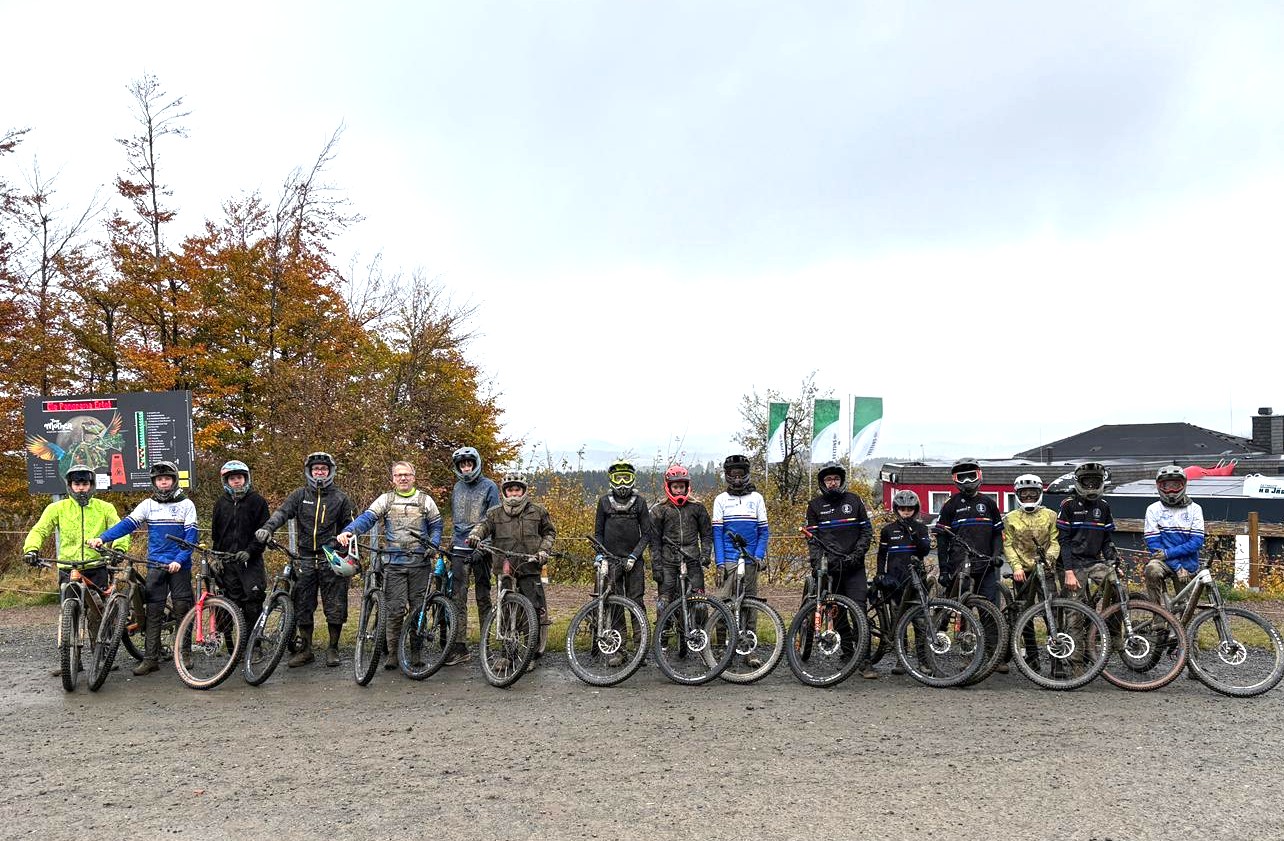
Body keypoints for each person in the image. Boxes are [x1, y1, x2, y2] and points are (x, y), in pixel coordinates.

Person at [89, 461, 198, 676]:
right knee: (153, 612)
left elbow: (191, 536)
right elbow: (127, 525)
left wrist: (179, 559)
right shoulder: (148, 504)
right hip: (155, 564)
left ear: (174, 481)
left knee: (182, 608)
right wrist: (102, 538)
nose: (163, 482)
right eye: (159, 479)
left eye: (167, 478)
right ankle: (150, 658)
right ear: (154, 482)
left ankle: (184, 653)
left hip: (179, 565)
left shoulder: (187, 505)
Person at [23, 463, 131, 676]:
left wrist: (118, 548)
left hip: (96, 567)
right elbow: (40, 529)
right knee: (68, 612)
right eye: (76, 484)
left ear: (91, 485)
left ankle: (101, 657)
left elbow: (120, 529)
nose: (81, 488)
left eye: (85, 484)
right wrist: (31, 549)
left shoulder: (105, 507)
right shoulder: (57, 508)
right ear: (70, 486)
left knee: (97, 613)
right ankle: (72, 660)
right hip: (69, 568)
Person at [337, 461, 444, 670]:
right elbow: (367, 518)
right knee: (395, 610)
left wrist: (433, 544)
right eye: (398, 475)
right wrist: (350, 531)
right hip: (394, 564)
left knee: (418, 610)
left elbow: (437, 526)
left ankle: (415, 654)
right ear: (393, 479)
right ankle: (393, 654)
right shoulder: (385, 500)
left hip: (420, 563)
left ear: (413, 477)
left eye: (407, 474)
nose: (403, 478)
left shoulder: (426, 500)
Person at [254, 452, 356, 668]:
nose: (320, 472)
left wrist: (346, 545)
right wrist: (268, 528)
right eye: (316, 469)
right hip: (305, 558)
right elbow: (282, 513)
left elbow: (350, 525)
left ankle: (333, 648)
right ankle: (306, 649)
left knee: (336, 605)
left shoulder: (340, 498)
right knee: (303, 605)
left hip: (331, 558)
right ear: (310, 471)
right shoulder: (299, 495)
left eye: (323, 469)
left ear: (330, 472)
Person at [466, 471, 555, 672]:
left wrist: (544, 550)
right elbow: (483, 526)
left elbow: (549, 532)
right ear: (504, 492)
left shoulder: (537, 511)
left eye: (517, 490)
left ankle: (530, 654)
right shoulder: (494, 513)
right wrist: (475, 535)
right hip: (504, 568)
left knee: (532, 611)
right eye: (510, 490)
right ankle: (506, 654)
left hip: (530, 566)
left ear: (524, 491)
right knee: (505, 611)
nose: (514, 494)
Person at [805, 461, 874, 677]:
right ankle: (848, 654)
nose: (833, 482)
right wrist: (817, 563)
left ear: (841, 480)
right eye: (828, 479)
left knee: (859, 611)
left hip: (854, 566)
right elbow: (813, 540)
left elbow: (866, 532)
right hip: (831, 569)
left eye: (836, 479)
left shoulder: (854, 500)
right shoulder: (814, 505)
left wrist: (857, 555)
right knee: (837, 613)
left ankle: (865, 661)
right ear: (823, 482)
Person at [593, 460, 653, 665]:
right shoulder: (603, 502)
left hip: (634, 562)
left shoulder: (640, 502)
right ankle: (620, 650)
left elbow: (647, 534)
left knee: (637, 604)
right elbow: (598, 533)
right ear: (611, 480)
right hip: (611, 561)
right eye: (618, 478)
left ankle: (640, 649)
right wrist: (600, 554)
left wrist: (634, 556)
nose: (622, 483)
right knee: (616, 604)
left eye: (626, 478)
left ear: (633, 479)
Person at [445, 446, 500, 666]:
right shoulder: (457, 487)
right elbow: (456, 518)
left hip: (481, 549)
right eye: (462, 465)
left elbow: (493, 519)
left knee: (483, 598)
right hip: (459, 548)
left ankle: (486, 646)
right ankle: (460, 647)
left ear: (475, 464)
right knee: (457, 598)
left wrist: (485, 546)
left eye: (469, 464)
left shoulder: (489, 486)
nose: (466, 468)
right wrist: (452, 540)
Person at [712, 454, 769, 665]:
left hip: (751, 559)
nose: (737, 479)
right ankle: (721, 649)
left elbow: (763, 531)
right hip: (728, 559)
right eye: (733, 475)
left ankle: (748, 650)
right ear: (727, 476)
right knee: (722, 604)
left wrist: (759, 555)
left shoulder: (757, 498)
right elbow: (717, 534)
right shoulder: (720, 499)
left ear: (746, 475)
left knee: (749, 605)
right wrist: (719, 563)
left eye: (740, 474)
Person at [1001, 474, 1060, 672]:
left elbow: (1055, 541)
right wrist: (1016, 567)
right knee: (1025, 615)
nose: (1028, 497)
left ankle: (1057, 660)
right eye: (1024, 494)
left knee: (1051, 613)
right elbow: (1008, 545)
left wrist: (1049, 559)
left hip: (1045, 570)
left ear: (1039, 494)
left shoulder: (1051, 515)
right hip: (1023, 573)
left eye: (1032, 494)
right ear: (1017, 495)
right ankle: (1032, 657)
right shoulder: (1010, 518)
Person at [210, 460, 271, 644]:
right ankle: (234, 645)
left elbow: (263, 531)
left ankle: (254, 644)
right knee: (230, 602)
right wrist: (216, 557)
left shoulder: (257, 501)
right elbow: (216, 533)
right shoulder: (221, 503)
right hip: (228, 563)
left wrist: (250, 551)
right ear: (226, 481)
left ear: (246, 479)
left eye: (239, 477)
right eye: (232, 478)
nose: (236, 481)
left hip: (251, 562)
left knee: (253, 602)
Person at [873, 489, 932, 675]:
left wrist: (912, 532)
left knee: (920, 623)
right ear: (896, 509)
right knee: (898, 622)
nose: (906, 512)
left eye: (909, 509)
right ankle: (901, 660)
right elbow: (882, 554)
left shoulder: (921, 528)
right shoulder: (888, 530)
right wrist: (880, 574)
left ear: (915, 509)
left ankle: (923, 661)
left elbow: (924, 551)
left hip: (916, 581)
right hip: (895, 582)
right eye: (902, 509)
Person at [933, 457, 1004, 603]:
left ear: (979, 475)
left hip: (986, 566)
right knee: (959, 609)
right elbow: (942, 541)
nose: (966, 481)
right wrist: (944, 570)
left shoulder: (989, 504)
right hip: (959, 567)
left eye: (971, 476)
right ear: (955, 479)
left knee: (989, 610)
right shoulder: (950, 505)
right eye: (961, 477)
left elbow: (997, 534)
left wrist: (996, 555)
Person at [650, 464, 714, 619]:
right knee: (664, 604)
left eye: (681, 487)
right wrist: (656, 567)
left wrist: (706, 554)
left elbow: (706, 534)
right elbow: (654, 541)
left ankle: (699, 632)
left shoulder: (697, 507)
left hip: (693, 561)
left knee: (699, 603)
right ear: (669, 487)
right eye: (675, 487)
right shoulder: (659, 510)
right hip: (668, 562)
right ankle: (664, 633)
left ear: (687, 487)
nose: (679, 490)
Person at [1142, 465, 1205, 606]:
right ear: (1159, 486)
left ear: (1183, 485)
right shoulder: (1153, 509)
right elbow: (1154, 546)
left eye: (1175, 485)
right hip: (1164, 562)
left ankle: (1182, 618)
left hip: (1188, 563)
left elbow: (1197, 542)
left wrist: (1168, 553)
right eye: (1166, 486)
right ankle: (1156, 613)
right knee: (1151, 570)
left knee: (1186, 608)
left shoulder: (1195, 509)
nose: (1171, 490)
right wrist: (1176, 566)